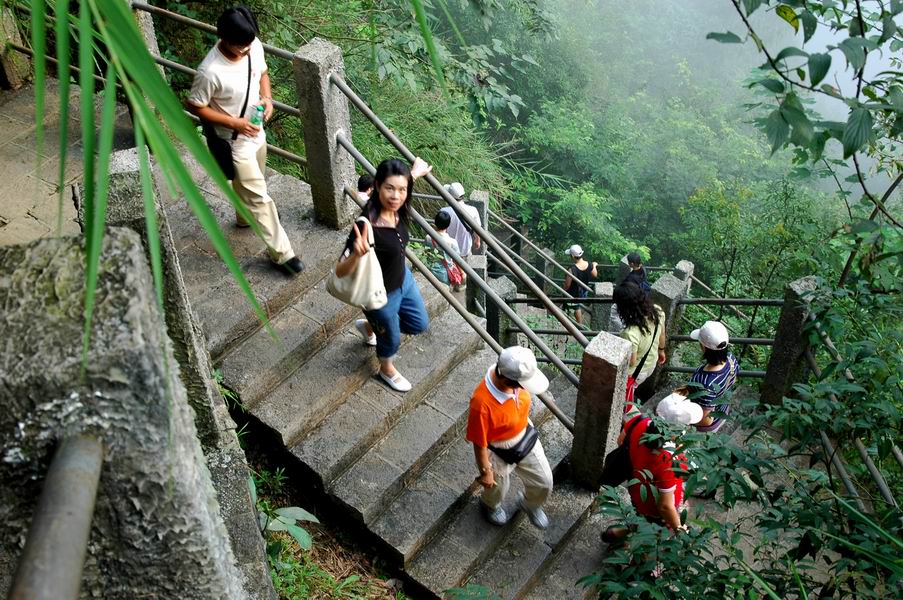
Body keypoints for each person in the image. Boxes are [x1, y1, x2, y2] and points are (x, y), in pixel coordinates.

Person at [186, 6, 304, 275]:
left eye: (251, 43)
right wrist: (236, 123)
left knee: (253, 186)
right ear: (225, 39)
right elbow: (195, 105)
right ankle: (283, 254)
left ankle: (243, 218)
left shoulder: (252, 44)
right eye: (243, 46)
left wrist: (268, 98)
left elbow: (262, 73)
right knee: (260, 198)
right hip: (234, 141)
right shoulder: (210, 71)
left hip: (256, 131)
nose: (249, 49)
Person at [340, 158, 432, 392]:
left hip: (403, 280)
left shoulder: (400, 206)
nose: (396, 196)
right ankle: (386, 369)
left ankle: (372, 326)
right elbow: (339, 271)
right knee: (391, 340)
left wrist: (414, 173)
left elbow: (403, 184)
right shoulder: (366, 224)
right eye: (389, 188)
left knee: (419, 323)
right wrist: (355, 256)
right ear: (377, 186)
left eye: (402, 190)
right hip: (379, 294)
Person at [466, 346, 554, 530]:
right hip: (497, 447)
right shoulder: (481, 403)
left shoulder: (512, 376)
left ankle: (530, 504)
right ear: (508, 380)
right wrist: (486, 472)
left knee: (544, 480)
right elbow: (479, 443)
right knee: (497, 488)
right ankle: (490, 505)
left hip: (523, 434)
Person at [601, 392, 702, 542]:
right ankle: (629, 545)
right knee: (653, 532)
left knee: (641, 518)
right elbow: (665, 506)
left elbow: (621, 441)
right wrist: (679, 529)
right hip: (653, 507)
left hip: (637, 489)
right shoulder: (669, 460)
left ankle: (618, 533)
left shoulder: (639, 421)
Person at [614, 282, 667, 393]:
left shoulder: (630, 333)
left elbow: (631, 362)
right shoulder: (657, 311)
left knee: (625, 394)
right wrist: (661, 351)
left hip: (635, 373)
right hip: (651, 363)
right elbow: (662, 334)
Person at [688, 321, 739, 432]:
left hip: (708, 424)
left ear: (704, 347)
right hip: (722, 410)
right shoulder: (731, 359)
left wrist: (684, 420)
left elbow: (707, 420)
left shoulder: (705, 382)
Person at [438, 182, 482, 258]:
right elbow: (477, 229)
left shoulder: (443, 211)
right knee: (462, 269)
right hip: (464, 249)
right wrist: (477, 241)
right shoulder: (473, 210)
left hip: (447, 250)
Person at [563, 244, 597, 325]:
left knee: (576, 307)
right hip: (584, 290)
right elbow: (595, 275)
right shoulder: (589, 264)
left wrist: (563, 290)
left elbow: (567, 285)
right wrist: (594, 265)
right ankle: (578, 318)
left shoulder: (572, 269)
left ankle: (580, 325)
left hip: (574, 293)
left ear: (572, 256)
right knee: (579, 305)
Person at [427, 210, 462, 290]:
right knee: (445, 291)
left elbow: (427, 253)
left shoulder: (428, 237)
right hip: (445, 274)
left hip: (431, 270)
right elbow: (458, 260)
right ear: (448, 225)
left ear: (435, 222)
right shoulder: (452, 242)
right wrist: (462, 273)